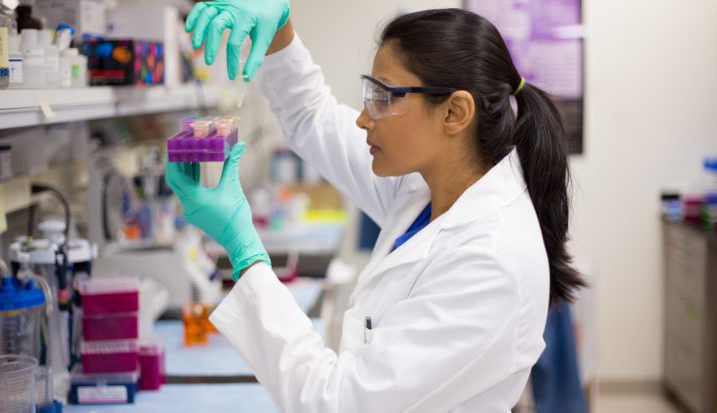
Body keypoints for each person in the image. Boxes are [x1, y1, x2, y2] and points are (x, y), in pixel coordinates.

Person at [166, 2, 586, 412]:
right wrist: (281, 29)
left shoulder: (491, 260)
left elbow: (336, 404)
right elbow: (311, 116)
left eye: (383, 97)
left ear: (455, 112)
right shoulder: (429, 191)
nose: (364, 118)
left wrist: (245, 252)